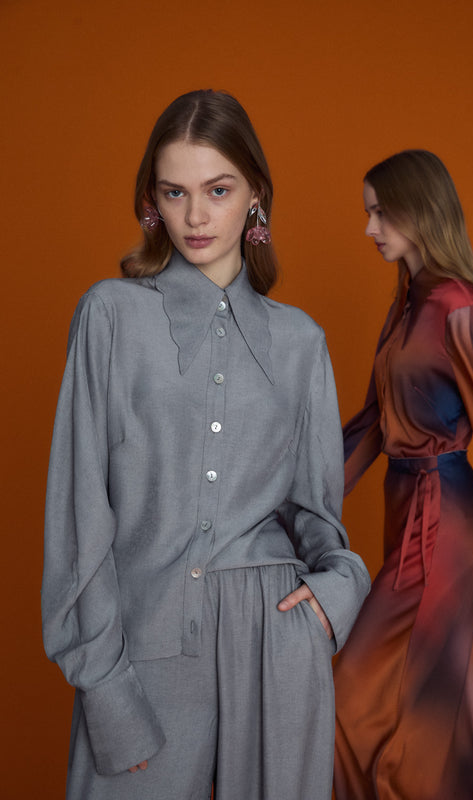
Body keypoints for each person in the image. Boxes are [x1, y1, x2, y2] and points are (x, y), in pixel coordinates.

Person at [41, 89, 370, 800]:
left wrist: (339, 591)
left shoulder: (299, 344)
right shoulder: (110, 318)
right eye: (175, 191)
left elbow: (317, 516)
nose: (196, 215)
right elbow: (78, 517)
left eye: (217, 190)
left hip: (275, 653)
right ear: (152, 200)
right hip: (143, 656)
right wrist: (104, 688)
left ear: (254, 195)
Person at [333, 150, 473, 800]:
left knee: (398, 709)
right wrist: (295, 500)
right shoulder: (406, 302)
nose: (368, 230)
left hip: (442, 520)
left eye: (378, 213)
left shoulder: (456, 308)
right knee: (392, 710)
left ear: (417, 210)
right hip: (404, 506)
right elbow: (370, 421)